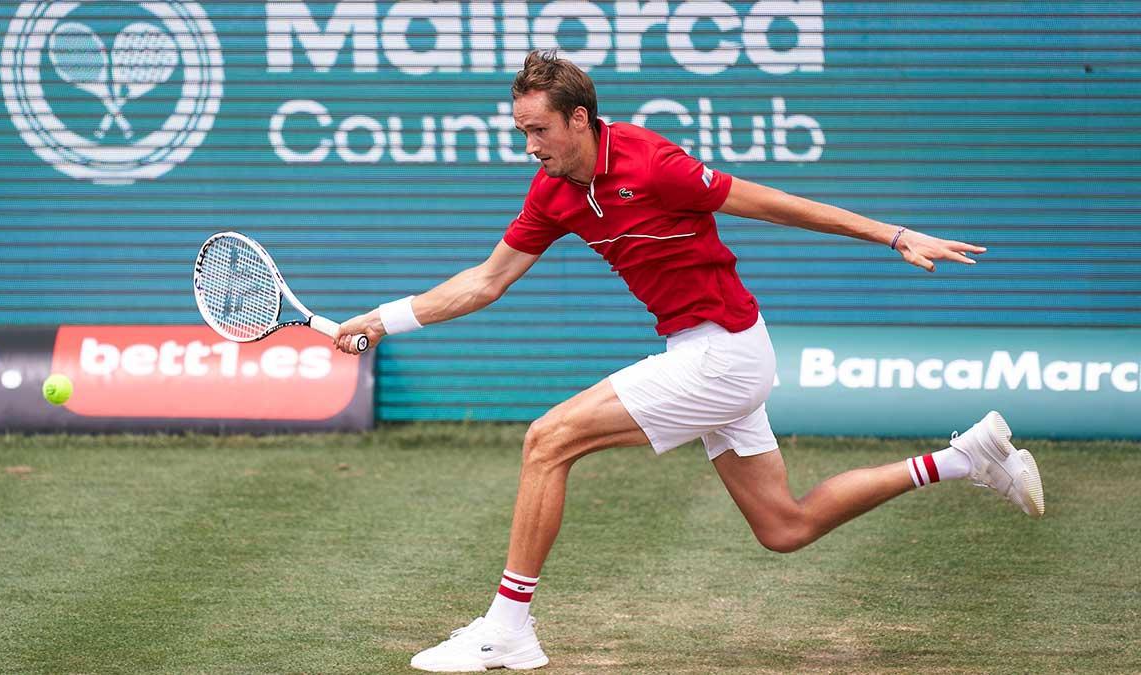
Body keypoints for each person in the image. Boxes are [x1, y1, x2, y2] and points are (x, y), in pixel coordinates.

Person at [330, 50, 1045, 673]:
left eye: (538, 130)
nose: (530, 145)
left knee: (548, 439)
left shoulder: (651, 161)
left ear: (580, 119)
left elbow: (775, 204)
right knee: (784, 527)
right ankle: (963, 458)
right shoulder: (552, 191)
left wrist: (889, 234)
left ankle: (508, 631)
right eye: (521, 131)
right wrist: (385, 320)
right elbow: (486, 280)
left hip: (726, 353)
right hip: (705, 351)